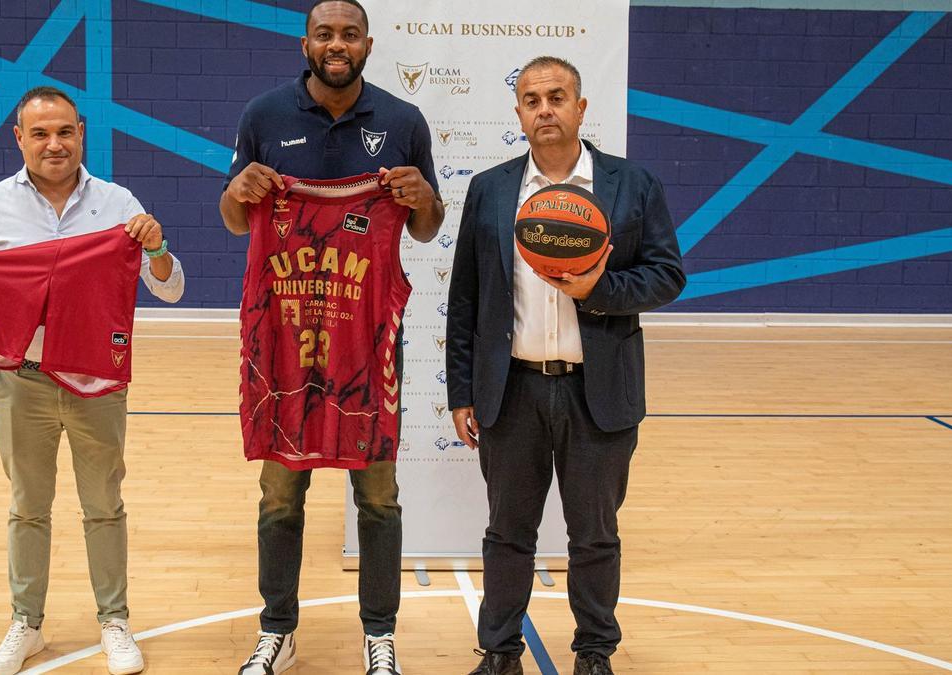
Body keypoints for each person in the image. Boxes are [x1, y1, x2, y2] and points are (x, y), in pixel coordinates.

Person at [219, 1, 445, 673]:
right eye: (326, 33)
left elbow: (428, 227)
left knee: (378, 494)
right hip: (284, 345)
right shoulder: (264, 116)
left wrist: (419, 197)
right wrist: (240, 188)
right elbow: (236, 219)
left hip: (365, 350)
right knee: (280, 494)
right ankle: (278, 629)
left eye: (349, 34)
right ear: (306, 43)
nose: (337, 44)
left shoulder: (403, 123)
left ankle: (380, 633)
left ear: (368, 44)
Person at [0, 86, 185, 675]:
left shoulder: (119, 202)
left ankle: (114, 622)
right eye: (40, 133)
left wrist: (158, 247)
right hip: (23, 380)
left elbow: (168, 287)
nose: (54, 144)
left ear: (82, 133)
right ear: (19, 138)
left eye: (65, 131)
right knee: (28, 506)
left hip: (97, 378)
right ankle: (27, 623)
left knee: (103, 504)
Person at [446, 56, 685, 675]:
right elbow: (465, 300)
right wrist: (461, 390)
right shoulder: (491, 189)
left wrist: (599, 290)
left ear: (581, 108)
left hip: (597, 392)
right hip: (513, 390)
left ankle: (595, 654)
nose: (544, 108)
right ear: (518, 113)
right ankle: (499, 653)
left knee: (595, 536)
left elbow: (667, 276)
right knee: (506, 534)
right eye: (531, 99)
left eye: (557, 96)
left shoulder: (632, 186)